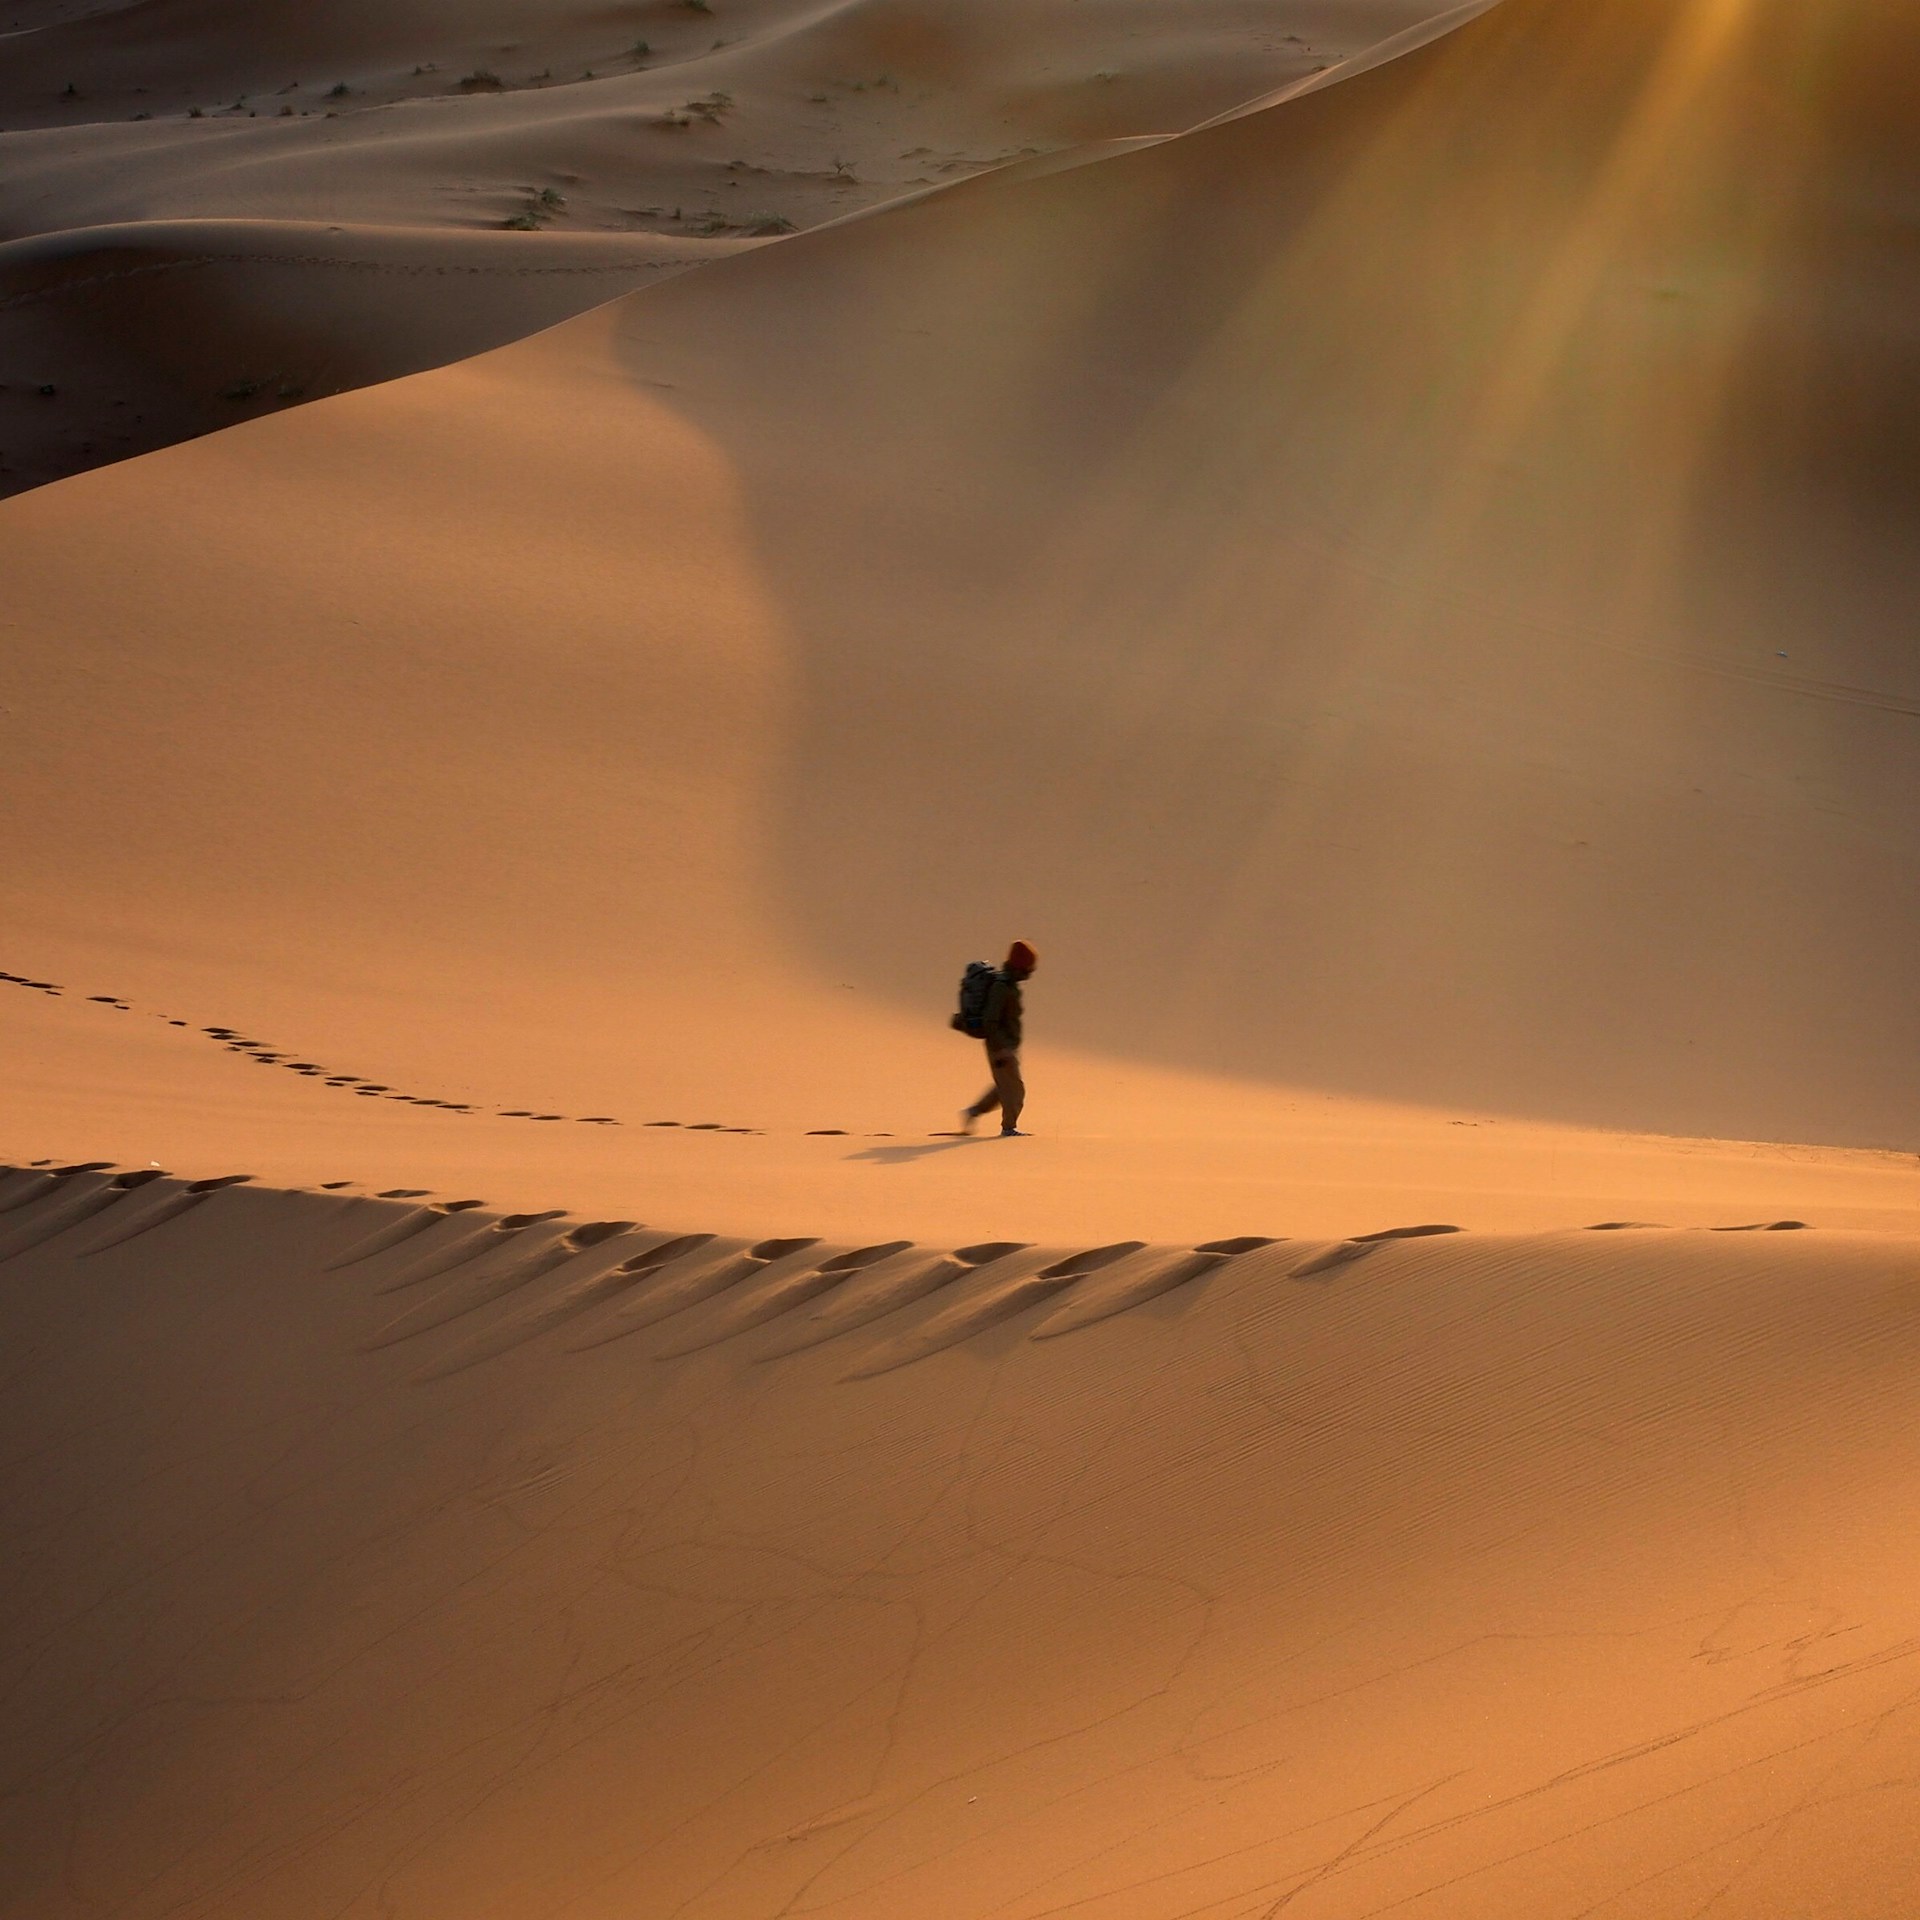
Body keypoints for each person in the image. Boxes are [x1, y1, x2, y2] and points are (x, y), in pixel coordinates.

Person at [960, 941, 1036, 1137]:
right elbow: (990, 1020)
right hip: (1000, 1047)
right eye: (1029, 967)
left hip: (1007, 1045)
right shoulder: (1001, 987)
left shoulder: (1009, 985)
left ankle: (973, 1112)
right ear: (1021, 966)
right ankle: (1008, 1128)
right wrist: (1001, 1048)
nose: (1031, 972)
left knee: (1004, 1087)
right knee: (1015, 1091)